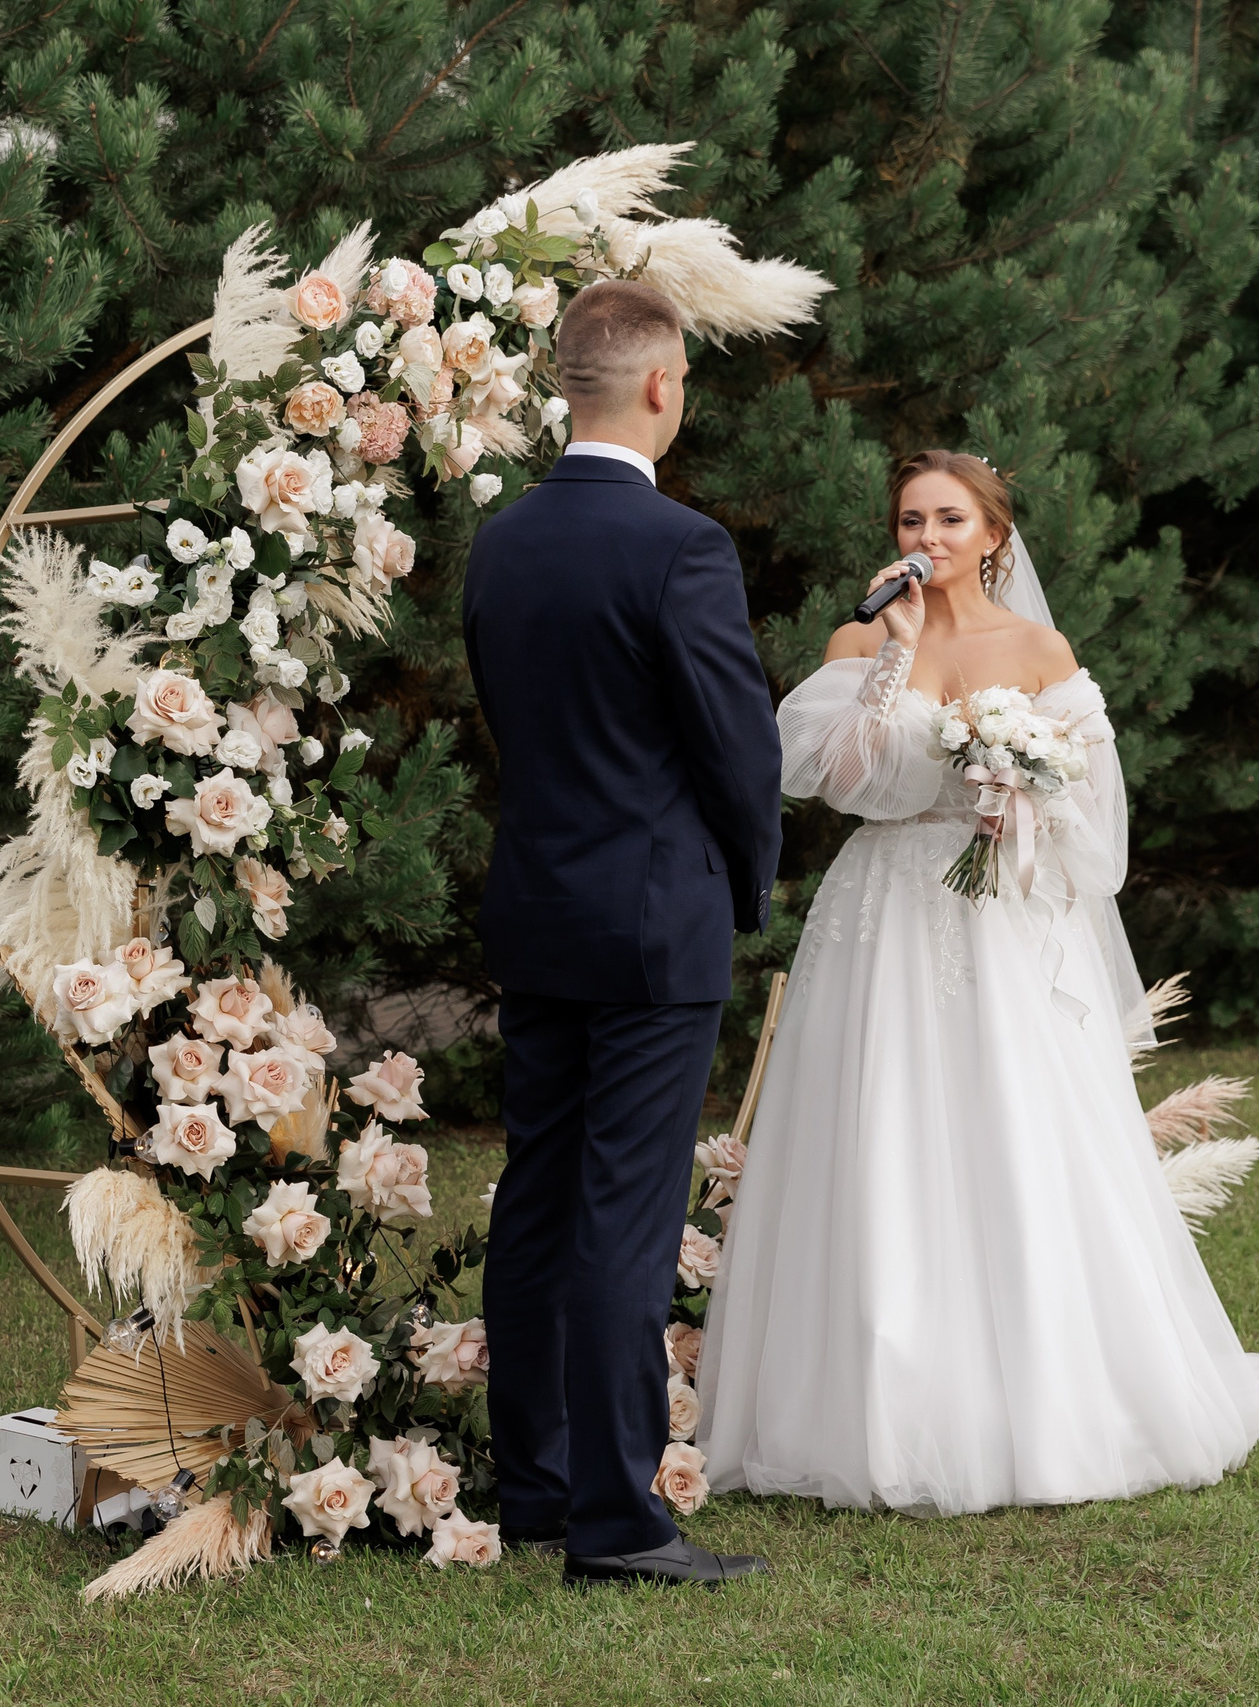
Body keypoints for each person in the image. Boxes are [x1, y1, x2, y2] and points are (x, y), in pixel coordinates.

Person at [695, 449, 1259, 1515]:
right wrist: (895, 658)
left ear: (993, 535)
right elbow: (833, 781)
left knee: (1013, 1121)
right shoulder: (859, 638)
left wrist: (1020, 796)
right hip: (883, 910)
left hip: (1001, 915)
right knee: (877, 1120)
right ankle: (868, 1397)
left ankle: (1046, 1393)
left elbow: (1096, 819)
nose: (927, 538)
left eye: (949, 519)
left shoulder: (1038, 650)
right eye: (910, 520)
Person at [463, 279, 783, 1586]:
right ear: (659, 386)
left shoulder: (501, 544)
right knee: (626, 1218)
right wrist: (745, 887)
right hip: (654, 918)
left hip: (538, 904)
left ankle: (535, 1484)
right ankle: (617, 1519)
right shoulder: (680, 548)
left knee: (540, 1194)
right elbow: (737, 749)